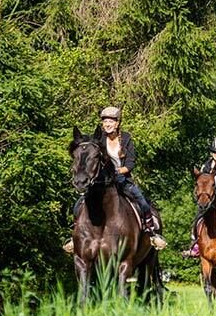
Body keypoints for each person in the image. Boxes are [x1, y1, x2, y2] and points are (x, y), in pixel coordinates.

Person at [65, 106, 166, 252]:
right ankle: (76, 236)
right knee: (78, 205)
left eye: (111, 121)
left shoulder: (126, 138)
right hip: (102, 182)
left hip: (122, 178)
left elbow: (130, 163)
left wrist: (117, 171)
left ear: (117, 123)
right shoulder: (99, 140)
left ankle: (151, 233)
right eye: (105, 121)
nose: (107, 124)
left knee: (142, 201)